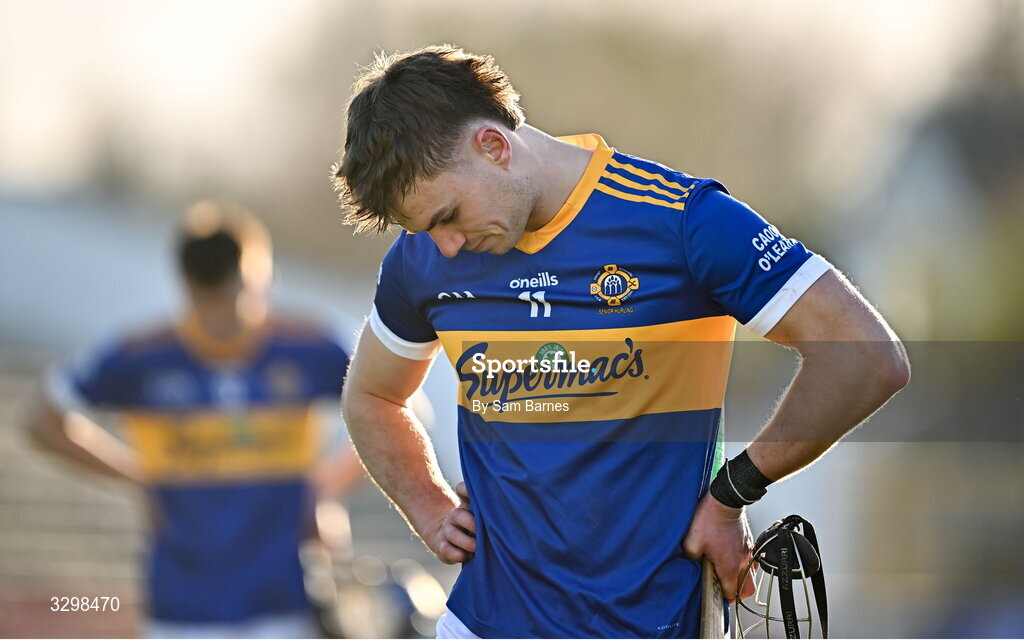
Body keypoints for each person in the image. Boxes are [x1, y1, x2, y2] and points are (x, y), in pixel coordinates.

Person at [332, 46, 910, 638]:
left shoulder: (682, 221)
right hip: (482, 624)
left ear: (494, 147)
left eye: (448, 216)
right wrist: (428, 506)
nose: (446, 246)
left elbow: (864, 355)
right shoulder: (422, 260)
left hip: (657, 624)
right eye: (427, 229)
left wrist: (733, 491)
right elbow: (372, 398)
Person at [26, 201, 360, 638]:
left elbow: (401, 411)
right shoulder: (141, 356)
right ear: (185, 285)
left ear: (263, 277)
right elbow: (42, 418)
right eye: (210, 299)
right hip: (182, 608)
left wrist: (321, 488)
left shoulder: (314, 346)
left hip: (285, 601)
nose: (224, 316)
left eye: (236, 294)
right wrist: (137, 477)